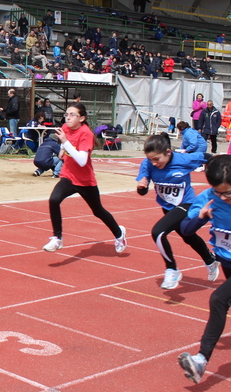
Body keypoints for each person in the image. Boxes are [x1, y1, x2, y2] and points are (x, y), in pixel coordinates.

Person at [43, 102, 127, 253]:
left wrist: (65, 144)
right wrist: (62, 149)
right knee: (54, 199)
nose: (68, 118)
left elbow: (82, 161)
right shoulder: (65, 128)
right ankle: (57, 238)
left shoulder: (86, 133)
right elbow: (65, 143)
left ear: (82, 118)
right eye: (66, 114)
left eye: (72, 115)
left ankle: (119, 233)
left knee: (98, 211)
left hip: (85, 180)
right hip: (68, 176)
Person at [135, 134, 216, 290]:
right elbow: (142, 192)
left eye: (157, 159)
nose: (154, 163)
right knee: (188, 236)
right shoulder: (148, 164)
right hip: (167, 206)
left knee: (158, 232)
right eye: (150, 159)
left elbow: (208, 157)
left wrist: (216, 174)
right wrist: (142, 186)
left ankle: (172, 269)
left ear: (168, 152)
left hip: (187, 203)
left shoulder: (184, 160)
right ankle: (210, 260)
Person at [177, 154, 231, 384]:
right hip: (227, 261)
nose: (222, 197)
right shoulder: (208, 198)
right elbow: (186, 230)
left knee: (218, 299)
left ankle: (200, 360)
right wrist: (199, 218)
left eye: (227, 193)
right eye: (218, 192)